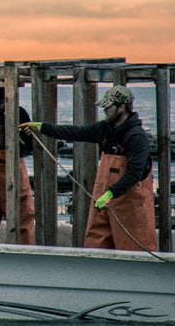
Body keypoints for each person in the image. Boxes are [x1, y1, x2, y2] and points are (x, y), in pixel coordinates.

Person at [19, 85, 155, 251]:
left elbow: (134, 173)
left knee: (132, 249)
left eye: (108, 106)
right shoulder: (104, 129)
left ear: (122, 107)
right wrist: (42, 127)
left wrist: (111, 193)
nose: (105, 110)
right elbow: (75, 132)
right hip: (102, 203)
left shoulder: (136, 137)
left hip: (129, 205)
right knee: (96, 246)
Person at [0, 87, 36, 244]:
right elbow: (30, 145)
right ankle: (24, 262)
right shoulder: (18, 112)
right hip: (12, 175)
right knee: (22, 222)